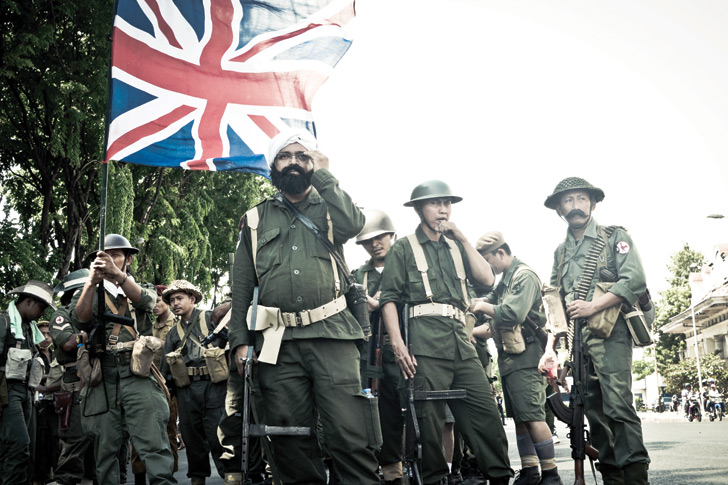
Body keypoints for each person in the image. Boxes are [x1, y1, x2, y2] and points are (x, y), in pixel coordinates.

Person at [226, 129, 379, 484]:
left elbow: (354, 225)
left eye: (302, 156)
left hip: (333, 337)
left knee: (349, 434)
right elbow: (242, 286)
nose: (293, 162)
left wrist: (325, 173)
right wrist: (241, 340)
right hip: (277, 345)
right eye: (285, 156)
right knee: (288, 437)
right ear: (274, 166)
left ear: (313, 165)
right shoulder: (254, 219)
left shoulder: (330, 207)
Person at [378, 180, 513, 485]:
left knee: (485, 415)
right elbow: (389, 300)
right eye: (434, 204)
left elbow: (487, 280)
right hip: (424, 345)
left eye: (446, 204)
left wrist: (463, 238)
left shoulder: (456, 246)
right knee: (430, 423)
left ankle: (500, 476)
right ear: (418, 209)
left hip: (461, 342)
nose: (442, 210)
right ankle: (435, 479)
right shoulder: (403, 248)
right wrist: (399, 347)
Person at [538, 177, 650, 484]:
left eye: (581, 199)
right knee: (594, 412)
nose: (575, 206)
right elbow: (555, 306)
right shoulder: (560, 253)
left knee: (619, 407)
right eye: (568, 201)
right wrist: (553, 351)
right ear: (559, 209)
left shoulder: (614, 237)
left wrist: (593, 306)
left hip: (610, 333)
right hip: (578, 343)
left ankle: (637, 478)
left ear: (593, 203)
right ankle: (612, 476)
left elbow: (635, 280)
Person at [70, 234, 176, 485]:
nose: (108, 260)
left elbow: (148, 302)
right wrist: (91, 282)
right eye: (103, 256)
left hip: (136, 373)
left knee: (154, 444)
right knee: (105, 450)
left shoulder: (137, 288)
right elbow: (80, 319)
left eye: (115, 255)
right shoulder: (88, 291)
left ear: (128, 259)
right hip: (103, 376)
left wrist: (117, 275)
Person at [470, 231, 562, 485]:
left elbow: (512, 313)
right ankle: (531, 471)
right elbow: (492, 307)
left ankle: (551, 475)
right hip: (511, 357)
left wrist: (480, 306)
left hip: (528, 357)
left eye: (488, 260)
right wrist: (473, 312)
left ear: (501, 253)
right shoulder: (505, 279)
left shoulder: (524, 275)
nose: (488, 268)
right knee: (520, 418)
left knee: (532, 416)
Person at [353, 209, 403, 484]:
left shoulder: (407, 266)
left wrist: (385, 302)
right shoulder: (358, 274)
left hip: (406, 350)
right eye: (368, 240)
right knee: (377, 414)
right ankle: (390, 472)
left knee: (415, 413)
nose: (375, 243)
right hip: (370, 354)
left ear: (392, 235)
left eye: (380, 237)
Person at [161, 280, 226, 484]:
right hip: (187, 390)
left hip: (215, 386)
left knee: (219, 436)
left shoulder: (210, 319)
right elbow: (165, 368)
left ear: (192, 299)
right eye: (172, 300)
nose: (175, 303)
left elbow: (231, 342)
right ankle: (197, 479)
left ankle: (231, 477)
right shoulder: (173, 333)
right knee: (192, 438)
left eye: (179, 298)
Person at [0, 280, 55, 484]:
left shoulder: (30, 329)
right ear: (29, 302)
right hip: (8, 392)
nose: (42, 314)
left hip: (27, 393)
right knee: (18, 445)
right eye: (41, 307)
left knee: (28, 449)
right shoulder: (4, 322)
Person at [50, 269, 97, 485]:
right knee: (75, 434)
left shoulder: (97, 314)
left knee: (97, 435)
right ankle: (65, 479)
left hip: (96, 376)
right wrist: (83, 340)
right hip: (74, 377)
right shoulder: (62, 314)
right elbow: (68, 342)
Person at [32, 319, 63, 485]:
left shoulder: (56, 354)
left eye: (48, 333)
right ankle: (40, 477)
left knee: (54, 440)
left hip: (54, 402)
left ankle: (54, 476)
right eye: (42, 333)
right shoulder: (32, 353)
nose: (45, 337)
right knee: (39, 441)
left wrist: (47, 383)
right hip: (37, 403)